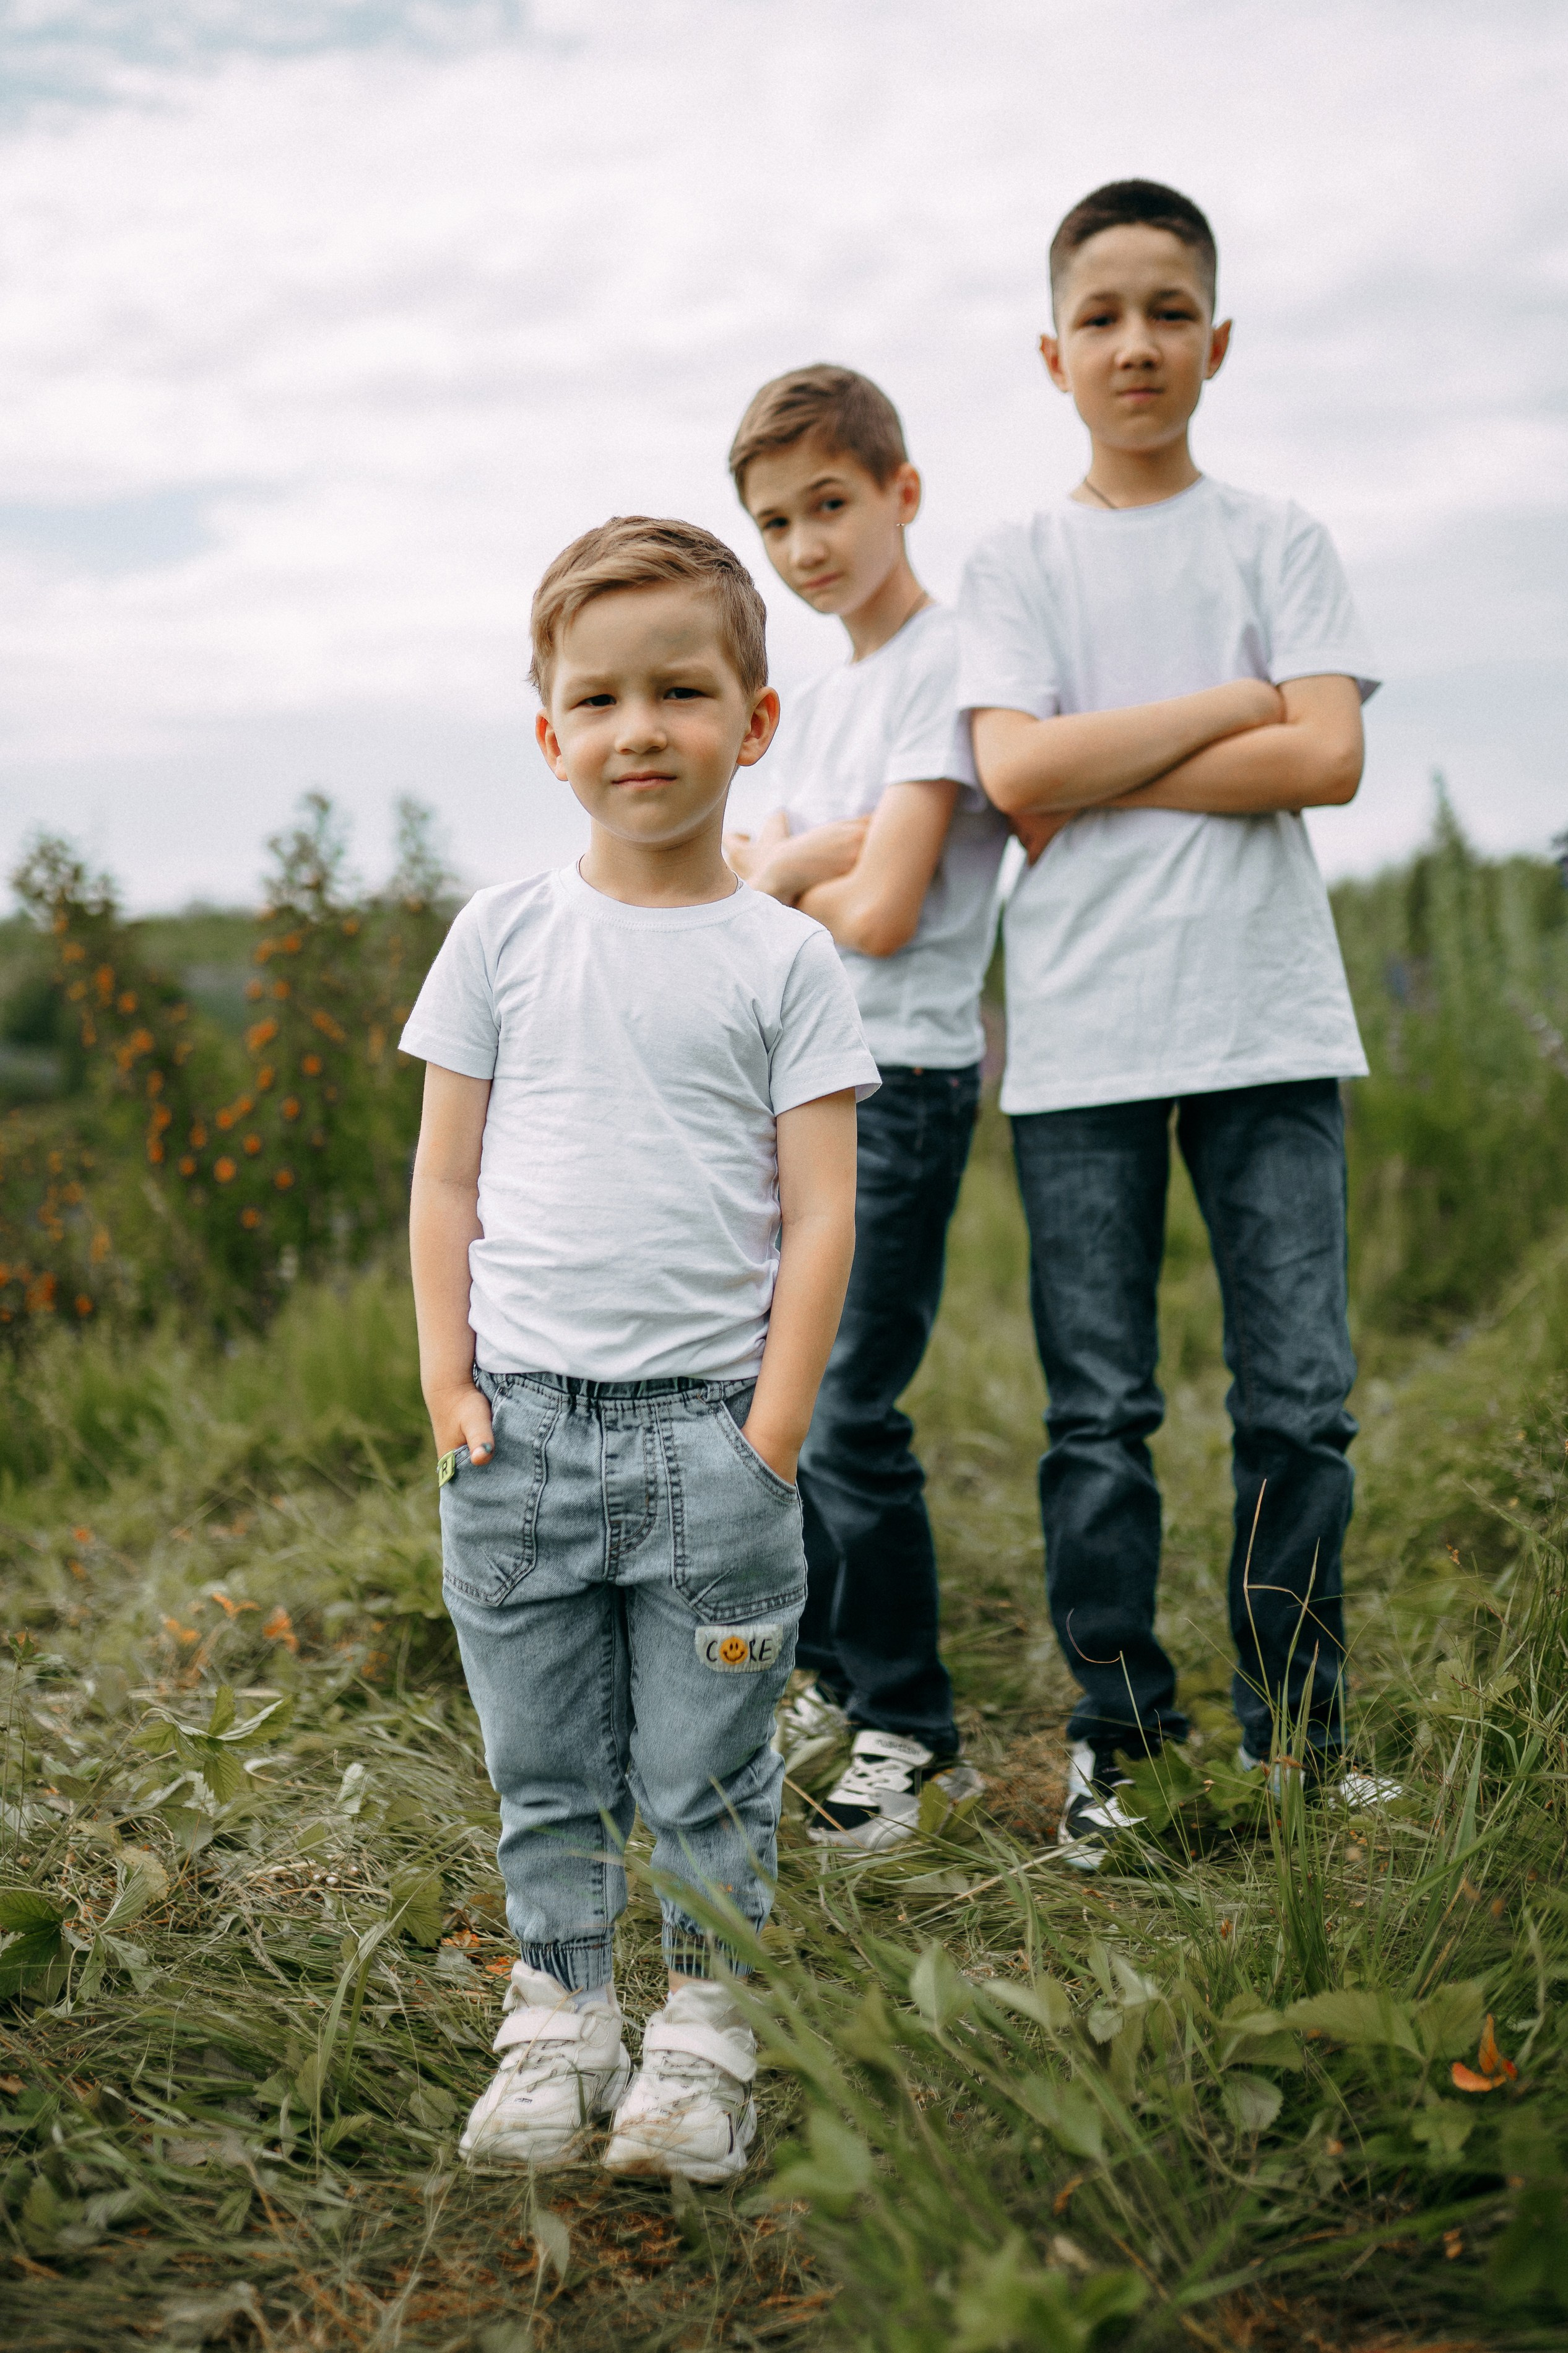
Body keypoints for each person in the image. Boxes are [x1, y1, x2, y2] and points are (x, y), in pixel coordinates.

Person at [402, 516, 877, 2175]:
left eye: (680, 691)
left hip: (712, 1449)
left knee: (705, 1770)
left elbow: (819, 1212)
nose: (638, 730)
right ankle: (558, 2016)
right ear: (550, 737)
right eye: (596, 700)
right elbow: (445, 1177)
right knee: (542, 1762)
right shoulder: (502, 939)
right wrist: (447, 1381)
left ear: (750, 721)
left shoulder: (785, 957)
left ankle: (700, 2032)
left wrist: (774, 1429)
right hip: (517, 1438)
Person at [956, 179, 1385, 1868]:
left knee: (1296, 1404)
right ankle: (1118, 1745)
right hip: (1077, 1041)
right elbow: (1014, 773)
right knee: (1097, 1418)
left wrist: (1108, 751)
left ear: (1215, 338)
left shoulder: (1275, 538)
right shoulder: (1014, 560)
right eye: (1098, 316)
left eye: (1164, 311)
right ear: (1049, 351)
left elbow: (1328, 759)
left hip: (1269, 1029)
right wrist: (1231, 702)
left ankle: (1303, 1732)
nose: (1132, 342)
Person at [724, 365, 1009, 1849]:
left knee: (849, 1410)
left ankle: (905, 1722)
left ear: (902, 492)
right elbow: (748, 875)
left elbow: (884, 908)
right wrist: (800, 855)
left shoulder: (949, 661)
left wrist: (793, 862)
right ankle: (829, 1670)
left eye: (829, 504)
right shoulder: (825, 697)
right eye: (776, 523)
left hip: (899, 1076)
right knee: (781, 1397)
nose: (806, 545)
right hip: (801, 1085)